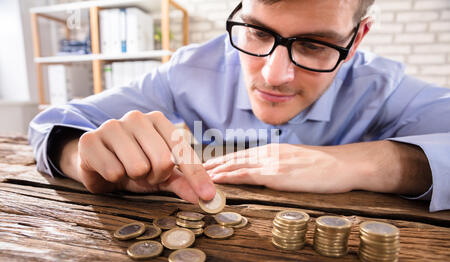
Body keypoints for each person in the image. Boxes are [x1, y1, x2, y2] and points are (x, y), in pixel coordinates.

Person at [29, 0, 450, 212]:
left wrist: (370, 163)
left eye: (315, 45)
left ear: (356, 40)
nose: (273, 74)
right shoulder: (188, 70)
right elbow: (52, 124)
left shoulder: (386, 89)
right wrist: (86, 157)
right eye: (256, 32)